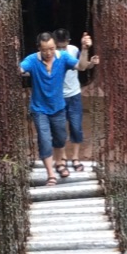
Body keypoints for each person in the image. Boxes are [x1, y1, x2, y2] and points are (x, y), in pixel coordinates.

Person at [19, 32, 90, 186]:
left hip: (58, 107)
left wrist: (84, 49)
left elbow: (82, 67)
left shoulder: (62, 57)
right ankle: (51, 174)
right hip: (39, 109)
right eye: (45, 50)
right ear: (39, 49)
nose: (49, 53)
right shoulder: (32, 60)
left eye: (51, 48)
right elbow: (19, 70)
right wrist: (13, 52)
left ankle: (59, 163)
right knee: (44, 140)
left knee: (59, 138)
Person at [54, 29, 99, 172]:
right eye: (58, 46)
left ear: (68, 42)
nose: (61, 49)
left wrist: (91, 63)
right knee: (58, 129)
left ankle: (75, 157)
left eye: (63, 46)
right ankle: (62, 158)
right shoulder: (49, 53)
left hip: (73, 94)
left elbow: (82, 66)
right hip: (57, 96)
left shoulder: (73, 50)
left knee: (76, 127)